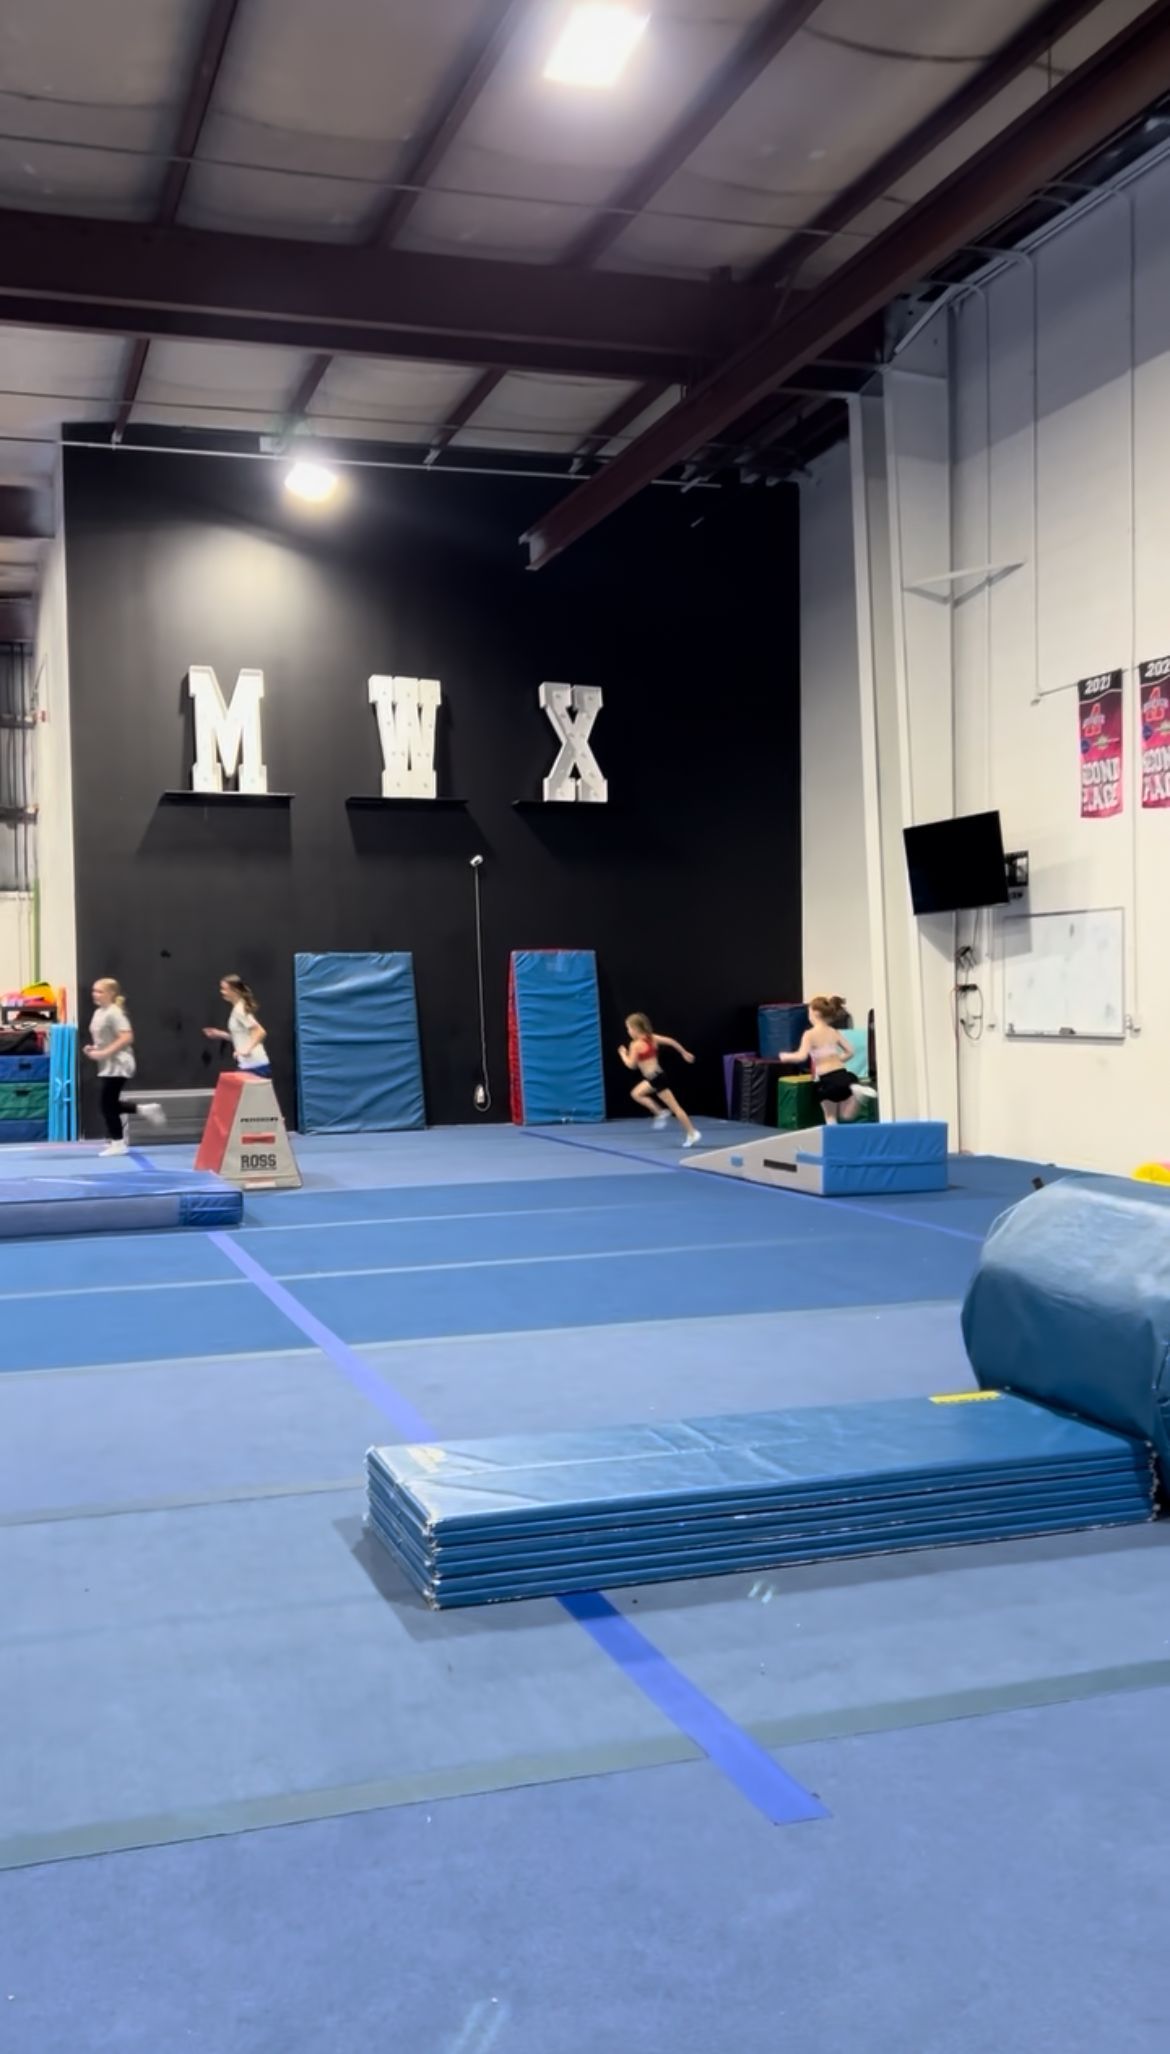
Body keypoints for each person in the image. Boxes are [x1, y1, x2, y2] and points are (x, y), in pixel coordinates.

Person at [83, 978, 165, 1156]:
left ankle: (118, 1142)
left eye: (100, 991)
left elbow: (126, 1037)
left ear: (111, 994)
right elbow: (105, 1039)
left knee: (106, 1104)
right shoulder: (99, 1013)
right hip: (107, 1064)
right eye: (94, 991)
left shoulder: (115, 1013)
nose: (95, 995)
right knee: (109, 1103)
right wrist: (95, 1048)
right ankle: (144, 1109)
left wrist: (105, 1053)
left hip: (119, 1063)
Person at [781, 995, 877, 1124]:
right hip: (844, 1076)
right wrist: (838, 1060)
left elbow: (801, 1056)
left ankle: (834, 1142)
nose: (808, 1016)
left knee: (830, 1116)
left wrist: (786, 1056)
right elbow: (851, 1052)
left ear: (815, 1013)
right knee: (846, 1115)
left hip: (827, 1080)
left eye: (809, 1012)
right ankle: (857, 1096)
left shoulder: (810, 1034)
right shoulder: (833, 1031)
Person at [618, 1012, 702, 1147]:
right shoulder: (652, 1038)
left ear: (634, 1029)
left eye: (628, 1028)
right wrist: (683, 1052)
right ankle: (660, 1112)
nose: (628, 1031)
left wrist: (623, 1054)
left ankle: (692, 1132)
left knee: (676, 1108)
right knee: (636, 1094)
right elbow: (671, 1041)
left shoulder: (635, 1045)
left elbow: (631, 1065)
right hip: (656, 1076)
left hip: (656, 1079)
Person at [203, 975, 271, 1078]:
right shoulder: (238, 1009)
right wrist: (221, 1034)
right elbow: (243, 1036)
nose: (222, 992)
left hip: (255, 1065)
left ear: (235, 991)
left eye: (225, 989)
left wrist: (246, 1050)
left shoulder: (240, 1010)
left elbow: (260, 1032)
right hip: (248, 1065)